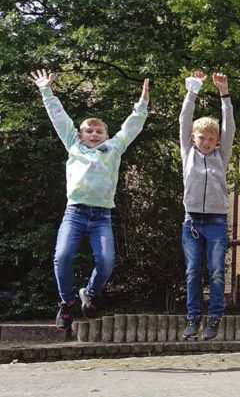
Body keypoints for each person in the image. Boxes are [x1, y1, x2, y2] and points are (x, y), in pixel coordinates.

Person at [28, 69, 149, 329]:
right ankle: (66, 303)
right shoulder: (73, 144)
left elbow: (131, 127)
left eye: (99, 131)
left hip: (101, 215)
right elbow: (59, 119)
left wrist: (142, 104)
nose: (93, 134)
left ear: (106, 135)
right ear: (81, 134)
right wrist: (46, 90)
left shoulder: (113, 149)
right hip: (75, 212)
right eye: (88, 131)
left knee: (106, 261)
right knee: (62, 256)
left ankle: (91, 295)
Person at [178, 71, 235, 340]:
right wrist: (193, 90)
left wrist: (224, 93)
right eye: (202, 137)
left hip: (216, 221)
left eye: (211, 138)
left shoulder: (220, 156)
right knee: (191, 272)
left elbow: (230, 128)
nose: (207, 142)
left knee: (215, 272)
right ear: (194, 137)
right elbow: (184, 120)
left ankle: (214, 318)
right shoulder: (187, 152)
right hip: (191, 220)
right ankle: (192, 318)